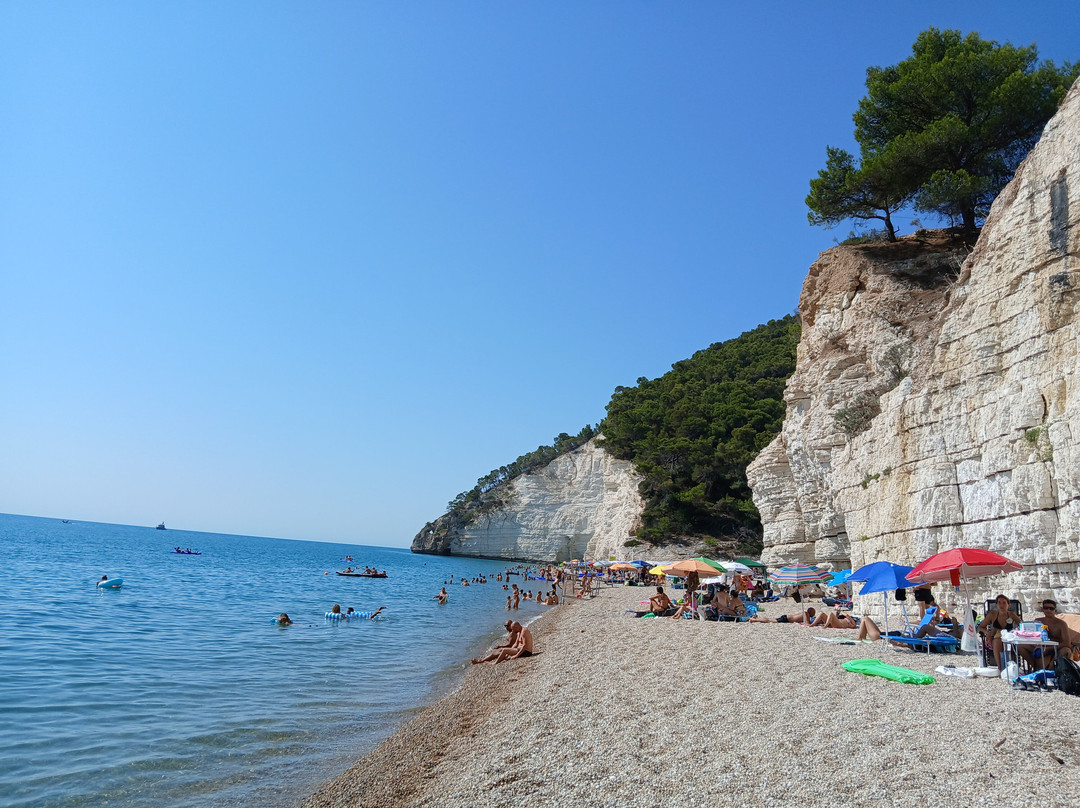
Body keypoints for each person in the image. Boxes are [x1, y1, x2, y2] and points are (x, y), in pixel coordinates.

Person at [1020, 599, 1074, 670]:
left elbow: (1067, 643)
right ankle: (1036, 668)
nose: (1048, 610)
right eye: (1046, 608)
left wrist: (1049, 649)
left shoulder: (1061, 624)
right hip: (1040, 647)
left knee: (1066, 650)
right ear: (1042, 610)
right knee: (1020, 646)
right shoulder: (1038, 621)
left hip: (1056, 649)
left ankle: (1052, 670)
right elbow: (1032, 636)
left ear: (1055, 611)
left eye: (1051, 608)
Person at [976, 594, 1022, 667]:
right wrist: (987, 633)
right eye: (999, 603)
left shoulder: (1012, 615)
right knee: (998, 641)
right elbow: (980, 627)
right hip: (996, 638)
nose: (1001, 605)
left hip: (1010, 638)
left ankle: (1011, 667)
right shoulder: (992, 615)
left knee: (1008, 642)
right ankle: (1001, 667)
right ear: (997, 604)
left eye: (1004, 603)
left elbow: (1022, 625)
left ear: (1008, 605)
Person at [749, 607, 816, 624]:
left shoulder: (805, 613)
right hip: (787, 619)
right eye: (814, 613)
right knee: (770, 620)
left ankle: (757, 618)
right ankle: (755, 620)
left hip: (787, 617)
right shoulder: (806, 614)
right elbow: (808, 623)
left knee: (771, 619)